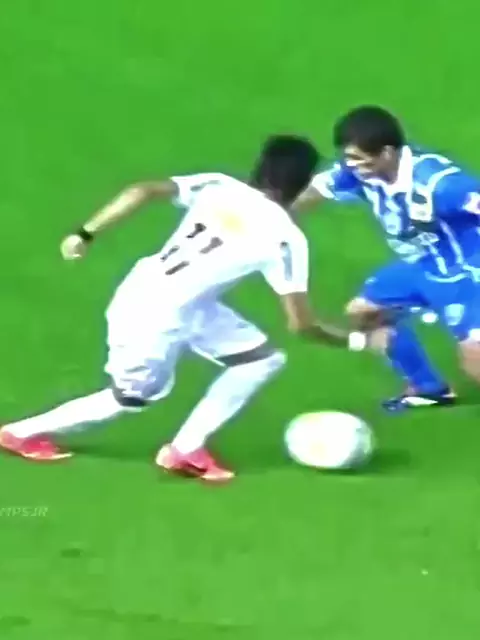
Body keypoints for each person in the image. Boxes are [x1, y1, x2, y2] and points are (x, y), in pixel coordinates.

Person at [0, 136, 347, 481]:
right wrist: (355, 340)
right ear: (302, 184)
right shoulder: (286, 238)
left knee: (260, 360)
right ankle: (19, 433)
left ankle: (185, 449)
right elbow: (301, 324)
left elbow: (142, 190)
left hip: (163, 293)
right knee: (130, 397)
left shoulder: (218, 185)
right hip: (154, 317)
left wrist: (84, 234)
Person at [297, 105, 480, 412]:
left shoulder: (439, 184)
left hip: (465, 272)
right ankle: (428, 387)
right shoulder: (360, 173)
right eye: (348, 157)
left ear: (387, 152)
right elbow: (313, 191)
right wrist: (273, 217)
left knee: (474, 361)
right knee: (364, 312)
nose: (351, 165)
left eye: (358, 158)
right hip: (420, 266)